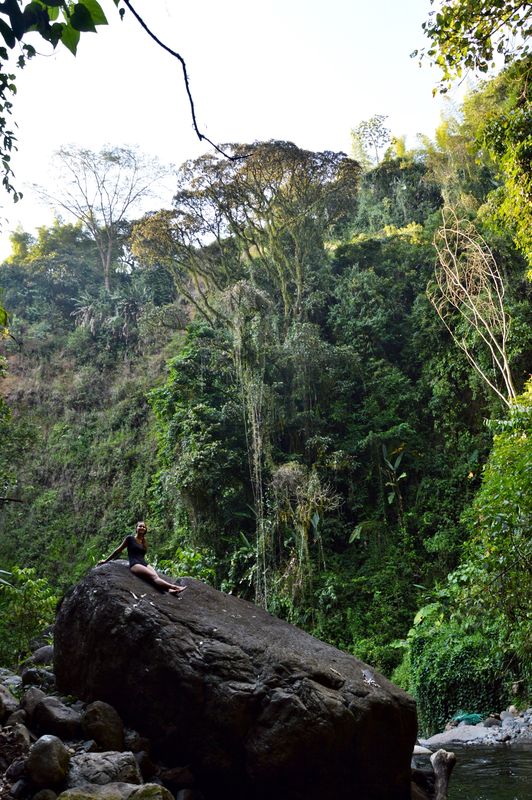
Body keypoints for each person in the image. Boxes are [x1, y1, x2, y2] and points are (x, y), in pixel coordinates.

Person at [98, 521, 186, 595]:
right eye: (140, 526)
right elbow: (118, 550)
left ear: (145, 530)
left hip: (144, 563)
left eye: (144, 527)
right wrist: (106, 560)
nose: (142, 528)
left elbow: (142, 555)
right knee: (154, 577)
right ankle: (174, 587)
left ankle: (169, 590)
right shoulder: (130, 539)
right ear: (136, 528)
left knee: (155, 576)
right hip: (135, 564)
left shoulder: (144, 542)